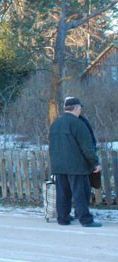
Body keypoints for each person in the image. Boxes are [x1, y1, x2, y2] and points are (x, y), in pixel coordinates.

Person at [49, 96, 102, 227]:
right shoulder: (78, 124)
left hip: (59, 166)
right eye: (80, 108)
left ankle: (63, 218)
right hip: (76, 166)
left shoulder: (56, 123)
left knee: (63, 193)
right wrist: (95, 163)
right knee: (81, 193)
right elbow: (87, 147)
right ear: (77, 108)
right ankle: (85, 219)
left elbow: (52, 145)